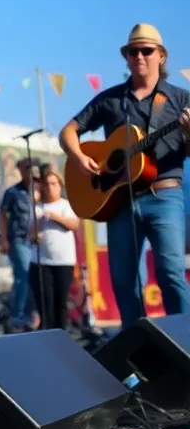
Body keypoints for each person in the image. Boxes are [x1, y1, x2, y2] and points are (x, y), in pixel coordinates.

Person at [59, 23, 190, 329]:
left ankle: (184, 343)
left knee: (171, 274)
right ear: (126, 57)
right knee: (123, 282)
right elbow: (68, 131)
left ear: (162, 56)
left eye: (146, 50)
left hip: (165, 196)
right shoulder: (111, 99)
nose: (139, 56)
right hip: (119, 199)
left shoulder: (181, 99)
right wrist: (79, 157)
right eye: (133, 51)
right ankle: (138, 349)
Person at [27, 167, 79, 331]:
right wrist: (36, 234)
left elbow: (74, 224)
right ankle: (46, 333)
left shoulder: (65, 205)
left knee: (60, 302)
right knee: (45, 303)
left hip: (63, 262)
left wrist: (56, 217)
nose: (50, 187)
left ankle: (61, 333)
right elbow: (29, 235)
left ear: (60, 186)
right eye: (47, 184)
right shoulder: (36, 208)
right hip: (41, 262)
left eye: (54, 183)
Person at [0, 157, 42, 332]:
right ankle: (18, 316)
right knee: (23, 275)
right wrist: (4, 239)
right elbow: (3, 216)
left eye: (33, 167)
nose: (31, 171)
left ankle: (36, 315)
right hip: (19, 239)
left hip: (38, 242)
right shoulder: (13, 192)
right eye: (27, 168)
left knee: (36, 279)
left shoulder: (40, 190)